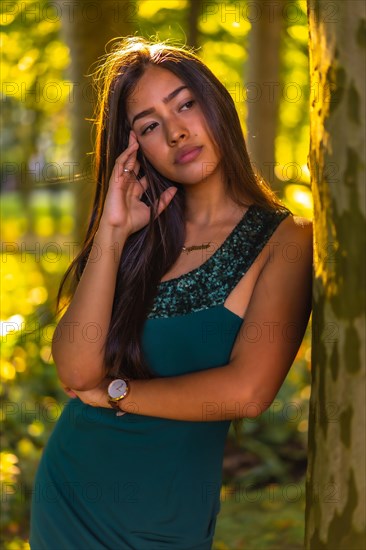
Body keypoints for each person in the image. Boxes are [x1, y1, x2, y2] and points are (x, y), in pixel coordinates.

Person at [29, 36, 313, 549]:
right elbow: (76, 370)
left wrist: (116, 394)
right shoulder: (140, 235)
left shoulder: (286, 240)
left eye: (186, 104)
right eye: (150, 126)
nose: (177, 131)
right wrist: (113, 235)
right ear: (135, 149)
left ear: (217, 106)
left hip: (166, 522)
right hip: (70, 501)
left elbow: (248, 392)